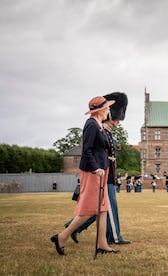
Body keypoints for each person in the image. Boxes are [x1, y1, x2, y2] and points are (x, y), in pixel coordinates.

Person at [51, 95, 119, 256]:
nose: (109, 109)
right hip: (92, 173)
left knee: (103, 209)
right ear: (100, 110)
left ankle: (102, 245)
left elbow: (98, 149)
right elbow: (86, 151)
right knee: (89, 210)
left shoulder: (99, 125)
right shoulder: (91, 125)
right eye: (107, 107)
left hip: (102, 171)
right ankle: (62, 236)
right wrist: (96, 168)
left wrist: (106, 159)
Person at [63, 92, 131, 246]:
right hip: (101, 175)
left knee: (101, 208)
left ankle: (73, 227)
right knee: (104, 207)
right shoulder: (98, 128)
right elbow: (90, 152)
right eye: (116, 119)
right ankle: (113, 237)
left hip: (108, 174)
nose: (118, 122)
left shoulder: (106, 132)